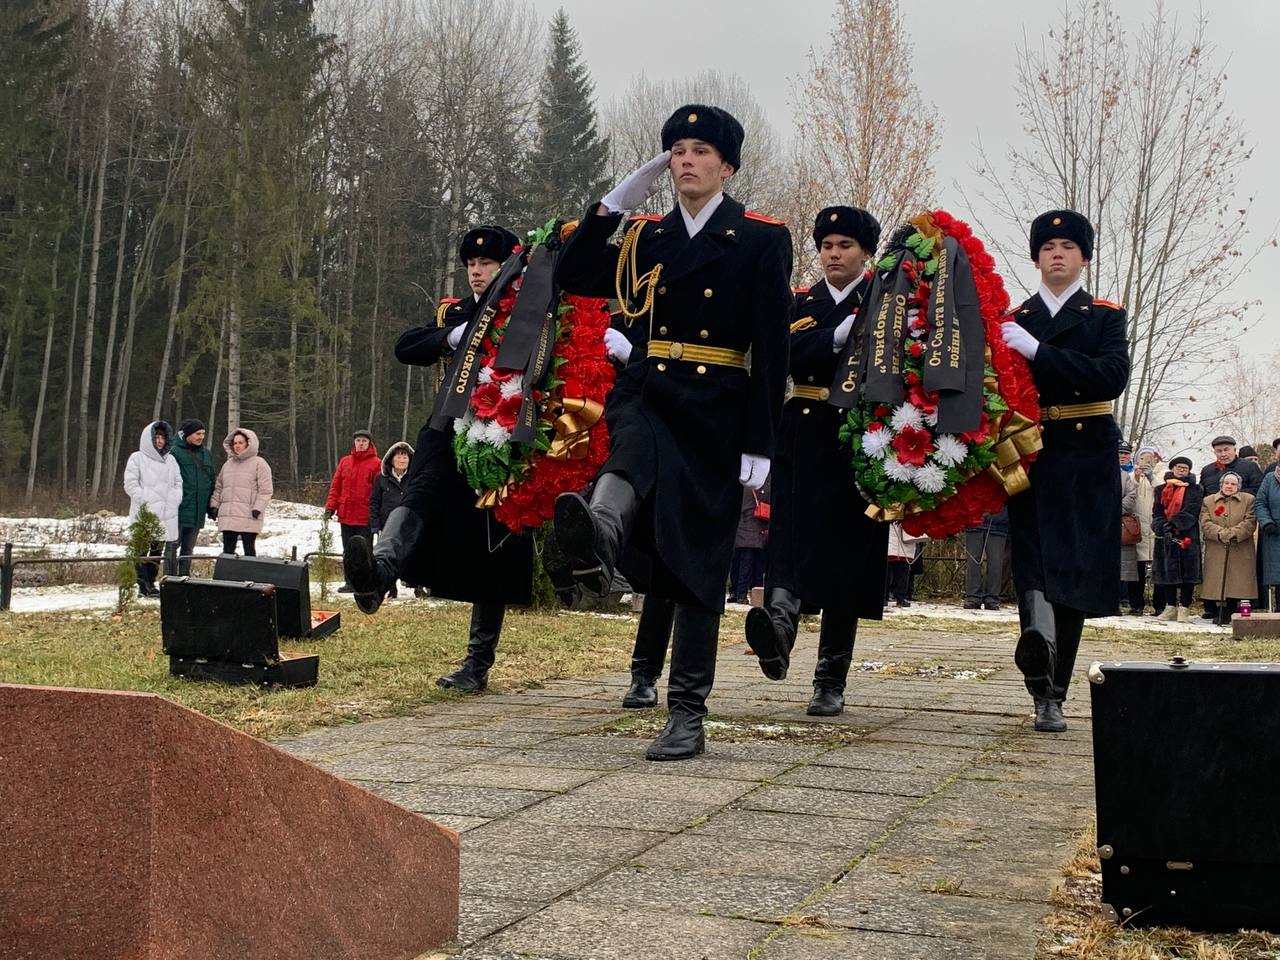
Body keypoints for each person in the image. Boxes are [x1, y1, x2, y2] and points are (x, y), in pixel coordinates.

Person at [552, 104, 792, 760]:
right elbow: (573, 274)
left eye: (700, 150)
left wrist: (760, 440)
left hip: (717, 406)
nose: (686, 159)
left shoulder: (762, 238)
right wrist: (617, 200)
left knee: (698, 561)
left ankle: (686, 709)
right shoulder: (646, 235)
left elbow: (773, 349)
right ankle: (597, 532)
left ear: (727, 166)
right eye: (677, 150)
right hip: (650, 390)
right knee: (628, 450)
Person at [343, 224, 533, 693]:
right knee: (419, 492)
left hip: (499, 438)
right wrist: (452, 338)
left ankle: (477, 662)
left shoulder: (530, 315)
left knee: (492, 545)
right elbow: (406, 346)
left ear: (508, 266)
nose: (476, 271)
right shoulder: (456, 313)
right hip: (446, 429)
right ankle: (377, 574)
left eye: (486, 264)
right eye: (470, 264)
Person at [744, 204, 888, 717]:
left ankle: (831, 675)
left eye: (845, 246)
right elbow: (781, 351)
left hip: (859, 436)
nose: (834, 255)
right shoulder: (801, 301)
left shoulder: (884, 300)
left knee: (847, 554)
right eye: (826, 246)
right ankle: (779, 627)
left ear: (865, 253)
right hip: (803, 429)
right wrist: (832, 338)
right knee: (787, 533)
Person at [1000, 209, 1130, 733]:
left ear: (1084, 258)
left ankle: (1053, 690)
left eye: (1068, 247)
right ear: (1036, 258)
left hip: (1086, 454)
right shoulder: (1014, 317)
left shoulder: (1103, 315)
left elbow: (1111, 377)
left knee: (1072, 570)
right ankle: (1038, 656)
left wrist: (1039, 352)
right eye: (1048, 247)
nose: (1057, 254)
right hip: (1031, 449)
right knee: (1032, 557)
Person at [122, 420, 183, 597]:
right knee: (141, 550)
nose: (159, 441)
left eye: (162, 438)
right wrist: (145, 499)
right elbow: (130, 484)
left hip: (166, 513)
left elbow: (178, 483)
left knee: (157, 552)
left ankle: (151, 582)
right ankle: (141, 585)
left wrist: (174, 499)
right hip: (145, 512)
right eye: (156, 437)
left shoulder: (171, 460)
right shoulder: (137, 458)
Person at [324, 430, 381, 593]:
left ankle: (366, 583)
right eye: (358, 440)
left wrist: (377, 514)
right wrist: (330, 507)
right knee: (348, 550)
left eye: (364, 440)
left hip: (365, 516)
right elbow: (336, 486)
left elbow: (379, 491)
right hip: (346, 514)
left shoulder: (377, 463)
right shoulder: (345, 462)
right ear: (354, 443)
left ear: (369, 443)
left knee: (365, 550)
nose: (361, 443)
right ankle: (349, 582)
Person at [1200, 472, 1258, 624]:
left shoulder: (1248, 500)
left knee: (1239, 581)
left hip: (1240, 547)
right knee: (1218, 579)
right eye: (1227, 483)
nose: (1229, 486)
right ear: (1221, 484)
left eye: (1233, 484)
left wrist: (1233, 533)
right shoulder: (1209, 501)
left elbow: (1250, 521)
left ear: (1238, 486)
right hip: (1217, 547)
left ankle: (1237, 612)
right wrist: (1220, 533)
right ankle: (1219, 612)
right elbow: (1205, 522)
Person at [1151, 458, 1203, 622]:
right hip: (1166, 535)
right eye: (1179, 467)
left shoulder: (1195, 489)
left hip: (1187, 533)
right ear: (1172, 468)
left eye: (1185, 467)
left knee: (1188, 572)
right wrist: (1161, 526)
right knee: (1168, 571)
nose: (1182, 470)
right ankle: (1170, 606)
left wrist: (1176, 523)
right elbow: (1157, 510)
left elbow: (1193, 510)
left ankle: (1184, 608)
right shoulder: (1160, 489)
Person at [210, 428, 273, 556]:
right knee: (227, 551)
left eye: (241, 443)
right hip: (228, 514)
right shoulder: (228, 464)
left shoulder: (259, 464)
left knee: (249, 550)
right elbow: (219, 487)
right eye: (235, 443)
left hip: (249, 514)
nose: (237, 446)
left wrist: (258, 508)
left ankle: (250, 576)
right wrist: (214, 505)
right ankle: (227, 576)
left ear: (249, 444)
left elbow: (265, 490)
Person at [369, 440, 414, 601]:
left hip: (409, 523)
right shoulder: (381, 479)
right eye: (398, 457)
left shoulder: (414, 478)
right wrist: (374, 524)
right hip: (387, 525)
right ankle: (391, 587)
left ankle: (415, 585)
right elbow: (374, 502)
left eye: (405, 457)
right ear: (391, 459)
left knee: (411, 554)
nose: (402, 460)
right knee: (389, 556)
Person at [170, 418, 215, 577]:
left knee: (188, 549)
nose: (201, 437)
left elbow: (211, 480)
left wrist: (211, 506)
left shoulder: (206, 453)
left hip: (197, 510)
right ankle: (170, 579)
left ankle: (184, 578)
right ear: (188, 434)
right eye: (198, 433)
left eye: (203, 433)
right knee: (172, 547)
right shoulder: (174, 452)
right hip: (178, 510)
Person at [729, 479, 769, 605]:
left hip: (742, 528)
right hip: (756, 528)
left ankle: (736, 592)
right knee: (754, 564)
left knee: (738, 562)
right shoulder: (764, 481)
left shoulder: (742, 482)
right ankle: (750, 595)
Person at [964, 507, 1008, 611]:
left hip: (998, 523)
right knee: (973, 561)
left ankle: (992, 598)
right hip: (973, 520)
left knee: (995, 563)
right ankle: (973, 597)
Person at [1256, 462, 1280, 612]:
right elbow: (1260, 502)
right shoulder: (1270, 479)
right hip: (1274, 532)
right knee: (1278, 574)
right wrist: (1266, 522)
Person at [1119, 454, 1139, 614]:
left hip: (1120, 523)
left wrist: (1113, 509)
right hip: (1096, 521)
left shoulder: (1126, 477)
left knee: (1123, 564)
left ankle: (1122, 599)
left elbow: (1132, 496)